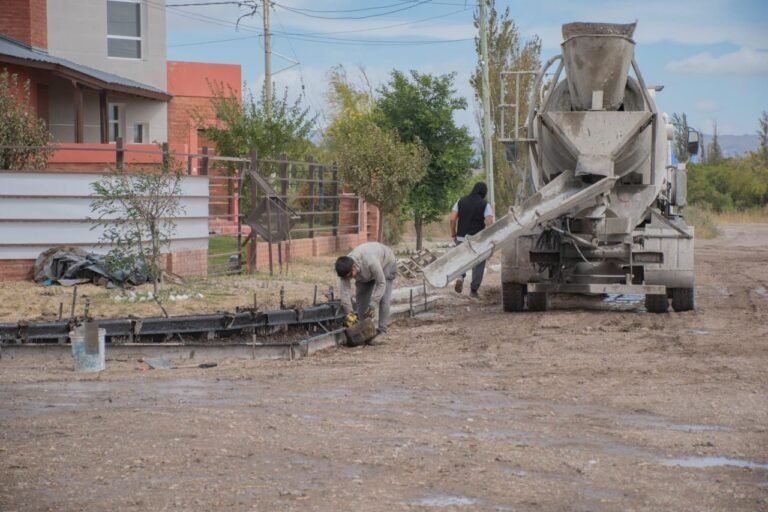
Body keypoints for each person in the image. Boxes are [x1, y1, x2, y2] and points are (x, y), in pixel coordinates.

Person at [335, 241, 397, 335]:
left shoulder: (370, 262)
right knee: (361, 299)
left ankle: (382, 330)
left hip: (386, 262)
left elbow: (381, 283)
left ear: (354, 267)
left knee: (383, 299)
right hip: (365, 272)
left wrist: (373, 303)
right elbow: (345, 293)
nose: (349, 278)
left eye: (350, 276)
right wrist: (350, 314)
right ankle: (364, 330)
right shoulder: (345, 269)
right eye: (347, 277)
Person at [450, 182, 494, 297]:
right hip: (477, 240)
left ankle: (460, 276)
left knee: (462, 260)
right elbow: (489, 223)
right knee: (479, 263)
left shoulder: (460, 201)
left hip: (461, 237)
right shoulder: (485, 204)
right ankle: (473, 290)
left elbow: (452, 218)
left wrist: (453, 233)